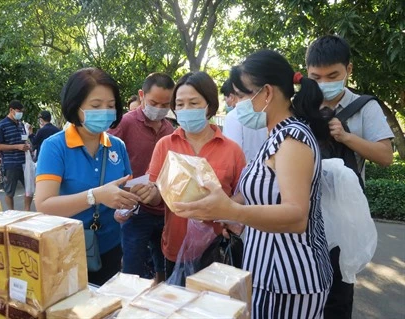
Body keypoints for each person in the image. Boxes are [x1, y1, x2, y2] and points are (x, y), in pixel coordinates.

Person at [171, 50, 333, 318]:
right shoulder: (274, 135)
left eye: (242, 95)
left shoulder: (292, 138)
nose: (236, 104)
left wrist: (232, 212)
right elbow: (257, 194)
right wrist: (218, 206)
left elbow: (296, 215)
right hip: (267, 271)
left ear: (266, 93)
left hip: (289, 278)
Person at [306, 35, 394, 319]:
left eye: (333, 75)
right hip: (304, 212)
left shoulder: (365, 107)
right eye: (316, 76)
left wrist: (345, 136)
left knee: (338, 295)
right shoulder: (302, 106)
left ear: (349, 70)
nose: (324, 82)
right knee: (304, 289)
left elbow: (385, 156)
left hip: (345, 217)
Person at [132, 71, 246, 279]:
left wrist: (222, 209)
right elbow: (158, 194)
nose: (185, 110)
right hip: (175, 247)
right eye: (180, 104)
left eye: (193, 103)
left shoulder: (232, 150)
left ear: (209, 105)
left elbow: (244, 195)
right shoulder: (165, 145)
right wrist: (150, 193)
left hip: (216, 248)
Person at [35, 67, 141, 285]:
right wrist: (95, 196)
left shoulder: (116, 146)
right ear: (76, 106)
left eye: (110, 106)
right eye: (95, 106)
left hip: (111, 247)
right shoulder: (55, 146)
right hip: (66, 249)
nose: (104, 111)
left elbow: (123, 191)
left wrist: (134, 199)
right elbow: (44, 204)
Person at [108, 72, 175, 282]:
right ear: (141, 95)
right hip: (135, 209)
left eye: (165, 104)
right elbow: (107, 159)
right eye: (154, 102)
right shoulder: (125, 123)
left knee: (163, 262)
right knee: (132, 265)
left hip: (163, 207)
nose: (159, 108)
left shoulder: (169, 128)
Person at [0, 100, 33, 211]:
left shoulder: (21, 124)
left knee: (29, 188)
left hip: (25, 162)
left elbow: (24, 140)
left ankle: (27, 211)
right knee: (9, 191)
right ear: (11, 110)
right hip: (11, 163)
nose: (20, 113)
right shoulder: (1, 125)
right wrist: (17, 147)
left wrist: (27, 146)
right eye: (18, 111)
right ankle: (11, 213)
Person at [222, 75, 268, 162]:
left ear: (232, 96)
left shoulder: (232, 116)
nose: (226, 103)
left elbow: (232, 154)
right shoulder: (265, 112)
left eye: (225, 99)